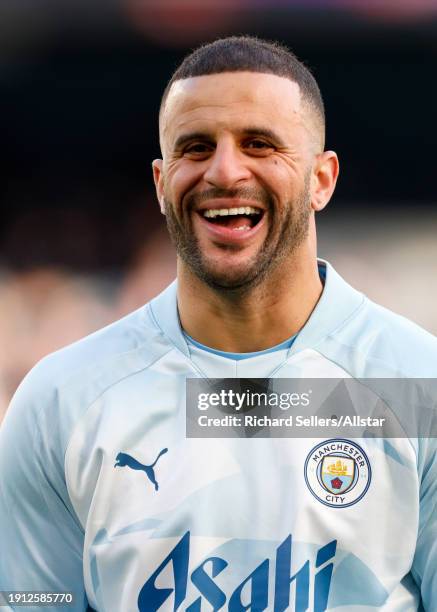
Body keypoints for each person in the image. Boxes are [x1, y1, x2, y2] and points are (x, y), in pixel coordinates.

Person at [0, 36, 436, 612]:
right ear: (160, 184)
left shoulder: (416, 384)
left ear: (322, 180)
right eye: (196, 148)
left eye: (260, 144)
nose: (225, 171)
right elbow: (33, 601)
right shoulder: (61, 400)